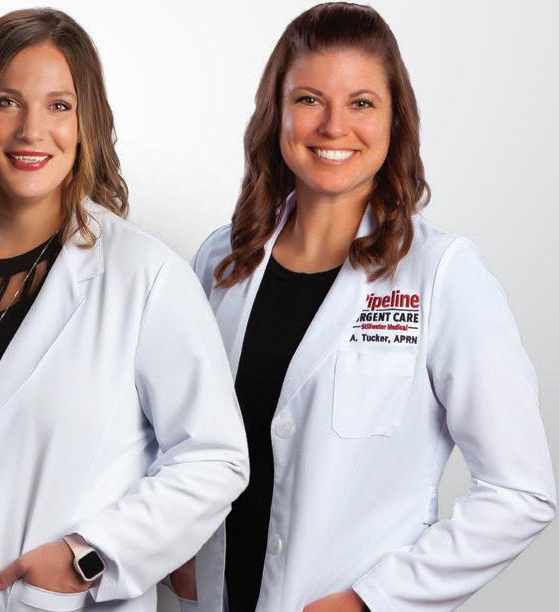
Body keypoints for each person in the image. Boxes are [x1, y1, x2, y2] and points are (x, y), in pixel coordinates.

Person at [0, 8, 249, 612]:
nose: (31, 130)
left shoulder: (145, 278)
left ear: (87, 123)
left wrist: (89, 555)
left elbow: (215, 458)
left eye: (59, 105)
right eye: (7, 102)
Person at [179, 3, 556, 611]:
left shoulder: (442, 273)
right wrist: (177, 555)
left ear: (394, 120)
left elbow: (521, 492)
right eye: (309, 99)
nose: (334, 126)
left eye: (361, 103)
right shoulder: (221, 261)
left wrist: (370, 601)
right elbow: (181, 437)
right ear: (277, 112)